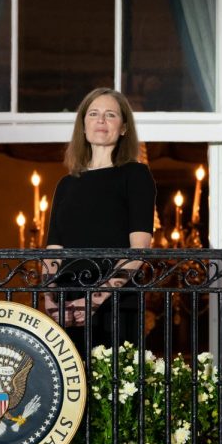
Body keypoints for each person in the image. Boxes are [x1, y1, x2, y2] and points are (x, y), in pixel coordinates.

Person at [43, 88, 156, 350]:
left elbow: (138, 249)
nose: (101, 120)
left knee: (113, 386)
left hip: (115, 301)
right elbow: (53, 249)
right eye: (93, 114)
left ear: (124, 127)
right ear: (83, 125)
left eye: (110, 115)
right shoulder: (66, 184)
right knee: (71, 384)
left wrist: (94, 299)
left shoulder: (136, 175)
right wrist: (50, 295)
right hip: (68, 302)